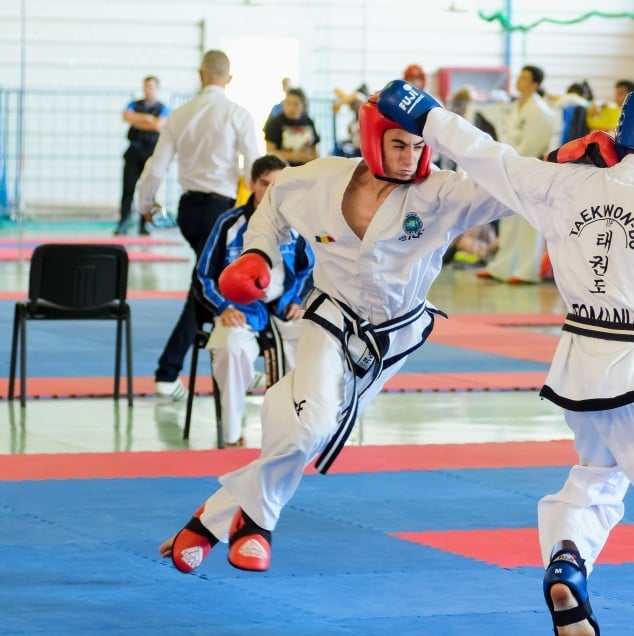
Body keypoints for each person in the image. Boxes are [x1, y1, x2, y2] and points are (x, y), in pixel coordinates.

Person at [377, 80, 634, 636]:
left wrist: (426, 115)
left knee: (599, 475)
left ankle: (568, 558)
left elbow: (489, 157)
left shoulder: (565, 183)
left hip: (579, 367)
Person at [157, 98, 512, 574]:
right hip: (330, 317)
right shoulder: (318, 179)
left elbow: (519, 186)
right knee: (313, 425)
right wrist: (260, 255)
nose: (411, 157)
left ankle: (213, 517)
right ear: (371, 142)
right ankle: (256, 524)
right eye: (399, 145)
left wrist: (573, 167)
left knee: (306, 425)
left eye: (419, 146)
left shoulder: (444, 193)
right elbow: (271, 207)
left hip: (392, 340)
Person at [137, 50, 261, 401]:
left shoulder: (179, 115)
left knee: (211, 284)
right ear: (229, 78)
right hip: (221, 210)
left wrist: (144, 205)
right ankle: (168, 371)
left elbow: (156, 167)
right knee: (208, 286)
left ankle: (234, 366)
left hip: (189, 209)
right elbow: (254, 169)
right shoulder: (238, 114)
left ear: (200, 74)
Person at [194, 154, 314, 447]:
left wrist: (300, 299)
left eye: (277, 185)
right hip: (239, 310)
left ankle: (298, 432)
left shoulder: (297, 224)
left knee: (318, 342)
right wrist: (224, 307)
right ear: (251, 184)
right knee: (229, 349)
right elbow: (203, 276)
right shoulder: (229, 223)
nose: (270, 192)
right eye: (264, 184)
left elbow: (311, 269)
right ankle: (233, 436)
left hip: (285, 310)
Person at [477, 64, 554, 284]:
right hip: (510, 166)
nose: (519, 80)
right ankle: (502, 266)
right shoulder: (515, 106)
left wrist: (512, 163)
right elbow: (508, 137)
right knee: (508, 217)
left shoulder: (540, 111)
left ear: (534, 84)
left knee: (529, 221)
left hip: (529, 168)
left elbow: (533, 144)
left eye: (525, 77)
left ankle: (527, 270)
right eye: (520, 76)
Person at [116, 75, 169, 236]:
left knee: (147, 191)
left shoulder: (162, 107)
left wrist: (138, 121)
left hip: (150, 153)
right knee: (128, 189)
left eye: (151, 87)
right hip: (133, 151)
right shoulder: (134, 104)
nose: (148, 90)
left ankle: (144, 225)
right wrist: (147, 118)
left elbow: (158, 124)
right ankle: (123, 222)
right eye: (146, 87)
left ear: (157, 89)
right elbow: (126, 116)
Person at [263, 88, 320, 167]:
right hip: (282, 169)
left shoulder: (308, 122)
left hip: (307, 169)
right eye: (287, 103)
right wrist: (298, 156)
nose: (291, 107)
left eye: (295, 104)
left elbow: (315, 150)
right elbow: (270, 152)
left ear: (303, 105)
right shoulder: (275, 123)